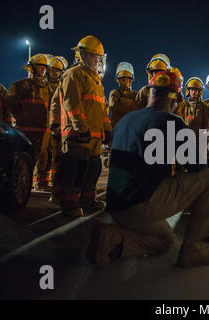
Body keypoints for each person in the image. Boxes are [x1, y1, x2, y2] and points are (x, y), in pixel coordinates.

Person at [89, 70, 209, 268]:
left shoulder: (125, 121)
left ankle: (111, 237)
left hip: (117, 207)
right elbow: (197, 167)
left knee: (165, 241)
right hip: (141, 205)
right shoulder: (173, 122)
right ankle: (193, 248)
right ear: (175, 99)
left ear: (150, 93)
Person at [56, 35, 112, 217]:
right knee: (75, 172)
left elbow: (101, 110)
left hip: (94, 137)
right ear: (83, 55)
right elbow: (72, 104)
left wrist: (108, 129)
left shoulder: (97, 81)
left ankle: (88, 201)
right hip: (79, 135)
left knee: (92, 171)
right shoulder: (74, 74)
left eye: (99, 58)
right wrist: (81, 128)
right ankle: (70, 205)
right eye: (95, 57)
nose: (97, 61)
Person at [5, 53, 52, 191]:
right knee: (25, 159)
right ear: (31, 68)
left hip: (43, 130)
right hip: (25, 130)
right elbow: (9, 103)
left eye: (44, 68)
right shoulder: (20, 85)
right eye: (39, 67)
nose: (42, 71)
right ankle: (22, 185)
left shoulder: (48, 88)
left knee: (43, 158)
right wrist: (21, 116)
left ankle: (40, 184)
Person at [46, 56, 68, 202]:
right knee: (56, 158)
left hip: (65, 127)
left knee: (60, 159)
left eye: (58, 71)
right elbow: (55, 106)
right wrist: (54, 125)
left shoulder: (64, 83)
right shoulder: (46, 85)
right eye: (54, 70)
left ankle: (57, 190)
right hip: (56, 127)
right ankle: (55, 191)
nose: (56, 73)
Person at [109, 62, 141, 127]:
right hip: (117, 130)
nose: (125, 80)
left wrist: (122, 101)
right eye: (122, 79)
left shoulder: (136, 94)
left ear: (131, 80)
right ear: (118, 80)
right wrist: (133, 104)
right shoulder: (114, 93)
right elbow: (114, 104)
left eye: (127, 78)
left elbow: (140, 107)